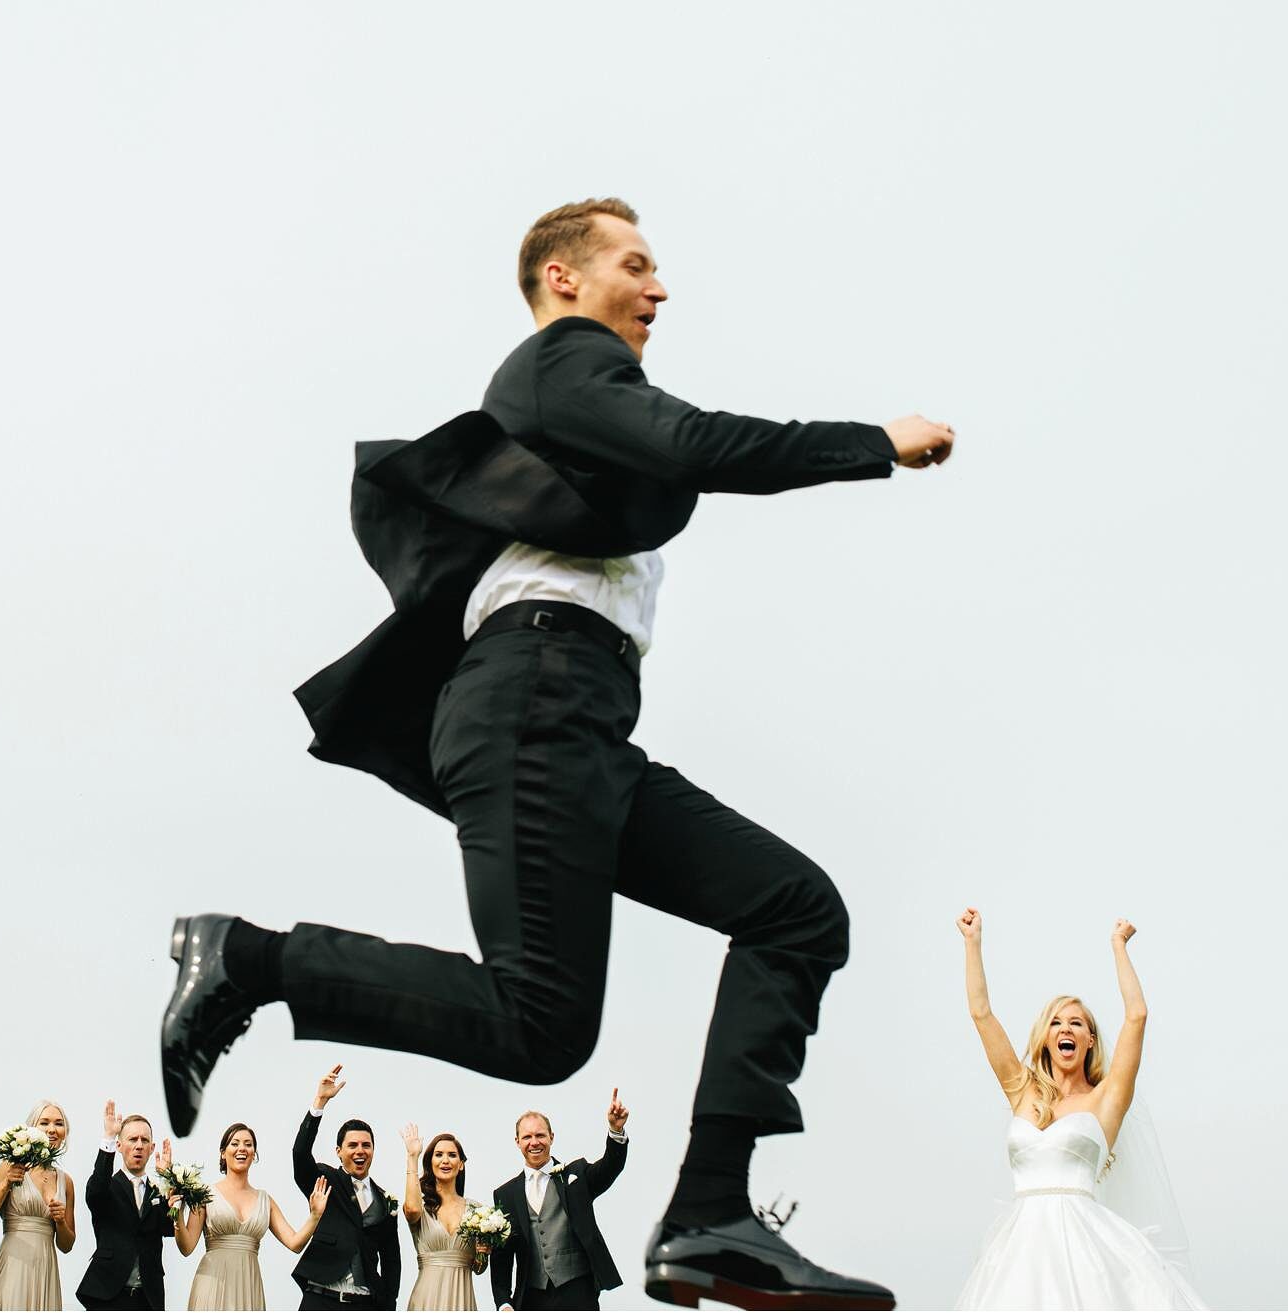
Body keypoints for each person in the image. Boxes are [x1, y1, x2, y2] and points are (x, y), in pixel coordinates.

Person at [162, 198, 948, 1309]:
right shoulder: (561, 365)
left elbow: (663, 460)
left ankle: (710, 1214)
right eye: (638, 264)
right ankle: (246, 958)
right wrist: (872, 443)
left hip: (577, 723)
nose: (661, 288)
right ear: (564, 280)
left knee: (794, 907)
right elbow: (698, 443)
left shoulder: (579, 422)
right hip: (534, 701)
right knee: (538, 1022)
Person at [952, 910, 1203, 1310]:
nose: (1065, 1029)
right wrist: (972, 943)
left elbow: (1136, 1017)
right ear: (1045, 1039)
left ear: (1089, 1040)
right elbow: (981, 1014)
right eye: (1055, 1023)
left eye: (1076, 1023)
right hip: (1020, 1253)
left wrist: (1119, 946)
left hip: (1087, 1249)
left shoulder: (1106, 1099)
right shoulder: (1023, 1093)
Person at [488, 1094, 628, 1311]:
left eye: (540, 1135)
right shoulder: (505, 1194)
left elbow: (610, 1166)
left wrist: (616, 1130)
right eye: (527, 1137)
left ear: (551, 1137)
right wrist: (504, 1302)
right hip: (531, 1297)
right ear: (517, 1142)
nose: (534, 1142)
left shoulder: (576, 1175)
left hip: (578, 1291)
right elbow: (502, 1256)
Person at [174, 1122, 332, 1310]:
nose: (242, 1148)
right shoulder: (205, 1194)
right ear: (223, 1153)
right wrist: (176, 1214)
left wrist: (315, 1215)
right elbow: (187, 1247)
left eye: (248, 1144)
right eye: (235, 1143)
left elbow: (295, 1243)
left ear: (254, 1154)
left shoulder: (265, 1200)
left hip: (249, 1285)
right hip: (212, 1284)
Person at [294, 1065, 403, 1309]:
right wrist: (319, 1102)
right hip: (321, 1299)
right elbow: (300, 1155)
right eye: (352, 1145)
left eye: (366, 1145)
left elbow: (391, 1259)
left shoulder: (386, 1200)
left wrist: (389, 1304)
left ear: (373, 1150)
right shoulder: (325, 1180)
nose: (360, 1151)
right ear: (339, 1151)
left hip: (365, 1302)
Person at [0, 1100, 79, 1310]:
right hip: (13, 1264)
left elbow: (67, 1245)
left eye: (59, 1124)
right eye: (45, 1123)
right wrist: (6, 1183)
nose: (52, 1129)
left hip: (46, 1268)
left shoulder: (65, 1181)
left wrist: (60, 1221)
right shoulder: (11, 1166)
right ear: (32, 1128)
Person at [76, 1102, 174, 1311]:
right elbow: (95, 1193)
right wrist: (109, 1138)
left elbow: (169, 1229)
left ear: (152, 1148)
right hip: (107, 1295)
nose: (139, 1145)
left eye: (144, 1140)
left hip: (148, 1298)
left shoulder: (158, 1192)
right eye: (132, 1139)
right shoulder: (107, 1186)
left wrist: (169, 1180)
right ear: (120, 1146)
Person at [399, 1127, 486, 1311]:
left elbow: (478, 1268)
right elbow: (412, 1209)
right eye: (438, 1155)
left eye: (452, 1155)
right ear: (430, 1162)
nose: (445, 1160)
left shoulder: (477, 1211)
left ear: (461, 1164)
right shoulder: (421, 1208)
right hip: (426, 1298)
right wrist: (412, 1157)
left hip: (462, 1298)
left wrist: (483, 1253)